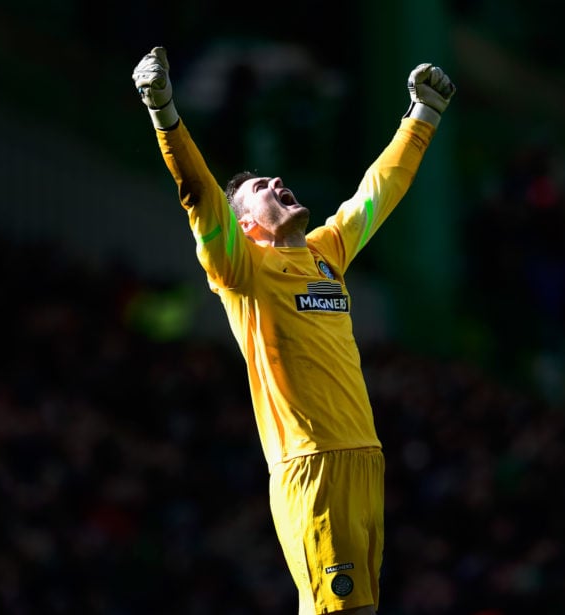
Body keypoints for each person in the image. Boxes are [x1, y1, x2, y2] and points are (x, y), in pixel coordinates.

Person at [132, 46, 454, 615]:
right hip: (312, 467)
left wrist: (421, 117)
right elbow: (200, 195)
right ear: (246, 226)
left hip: (365, 456)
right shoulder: (242, 270)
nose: (277, 179)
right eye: (259, 186)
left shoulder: (325, 253)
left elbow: (378, 191)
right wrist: (165, 115)